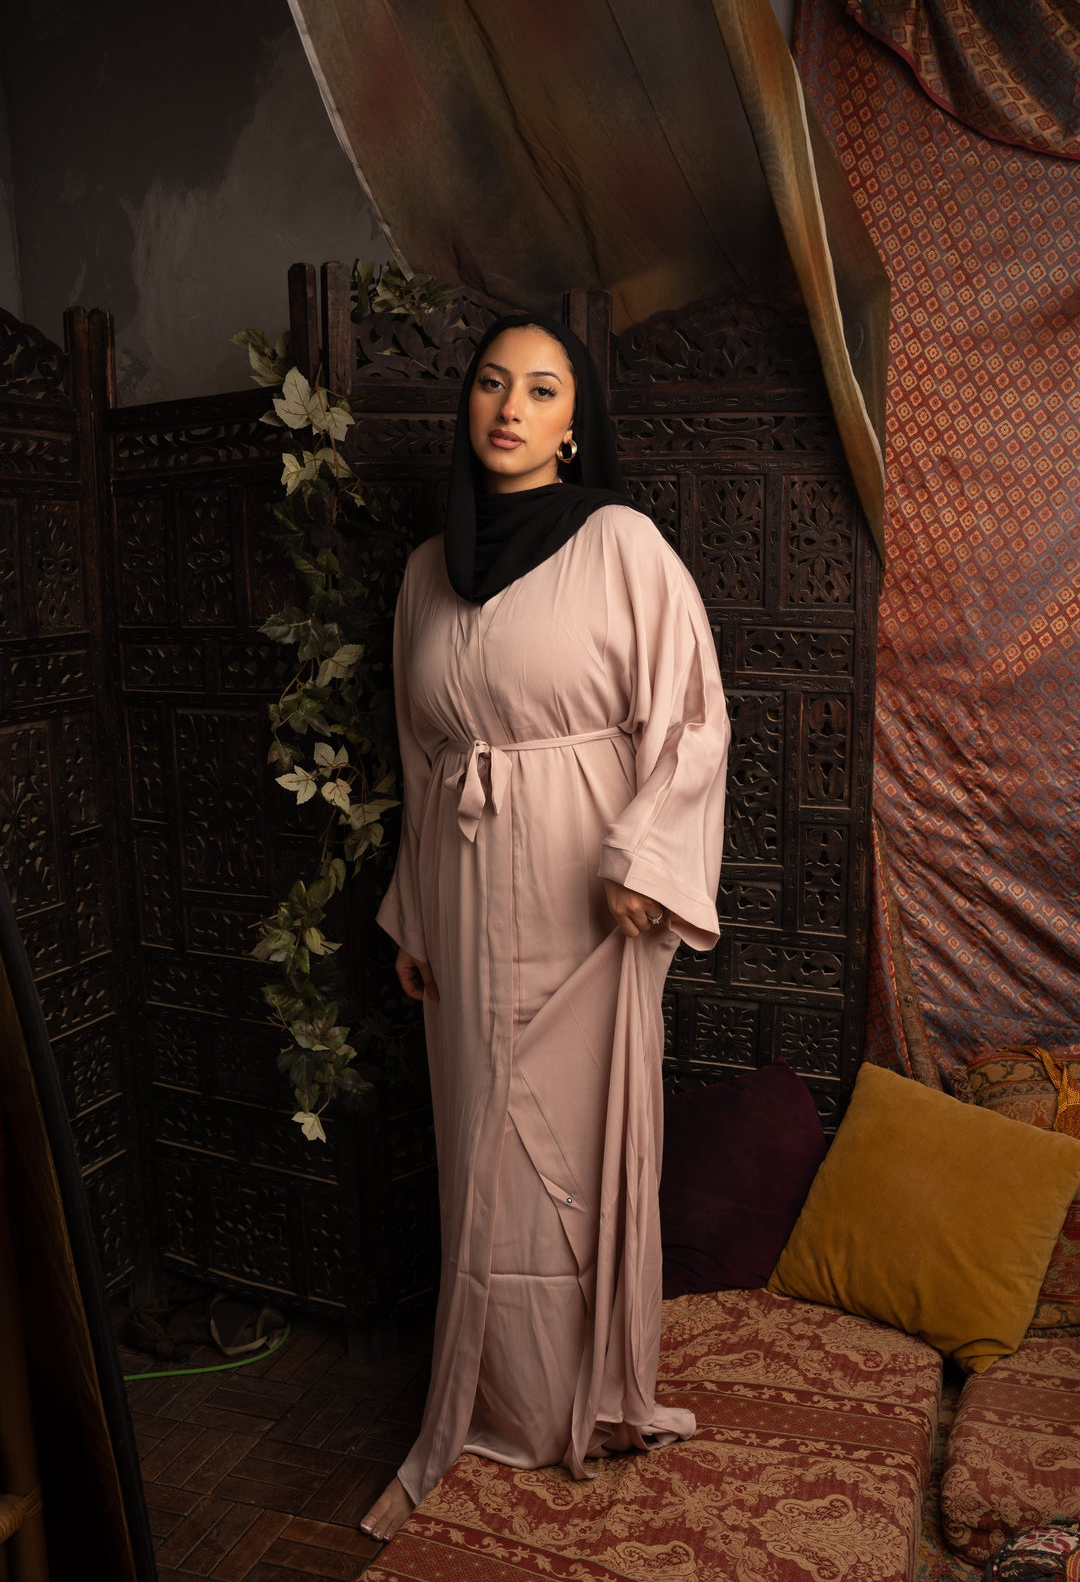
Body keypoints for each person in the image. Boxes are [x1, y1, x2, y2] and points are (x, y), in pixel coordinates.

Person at [360, 314, 729, 1545]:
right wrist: (413, 912)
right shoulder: (425, 574)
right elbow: (421, 761)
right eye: (490, 383)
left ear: (576, 422)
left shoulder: (621, 545)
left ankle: (581, 1395)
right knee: (481, 1147)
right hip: (465, 903)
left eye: (542, 388)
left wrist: (644, 858)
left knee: (563, 1152)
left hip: (589, 900)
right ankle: (491, 1400)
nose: (510, 406)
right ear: (467, 406)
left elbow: (688, 716)